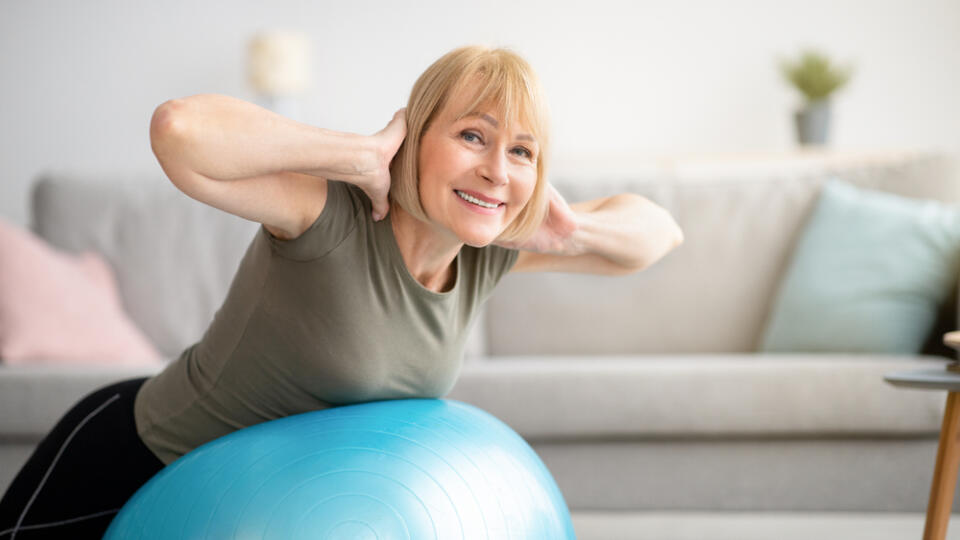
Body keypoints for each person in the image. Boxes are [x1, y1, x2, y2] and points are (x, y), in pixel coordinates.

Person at [0, 44, 683, 538]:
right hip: (139, 457)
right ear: (414, 138)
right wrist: (357, 156)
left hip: (267, 506)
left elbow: (659, 236)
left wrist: (563, 233)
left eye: (521, 152)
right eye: (473, 136)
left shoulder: (487, 259)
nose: (496, 169)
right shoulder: (330, 216)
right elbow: (179, 131)